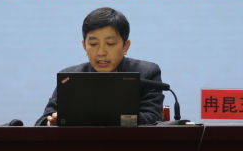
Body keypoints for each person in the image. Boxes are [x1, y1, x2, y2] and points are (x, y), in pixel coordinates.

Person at [35, 7, 164, 126]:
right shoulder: (69, 77)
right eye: (93, 44)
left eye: (110, 43)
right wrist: (51, 122)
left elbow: (152, 118)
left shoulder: (147, 73)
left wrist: (100, 117)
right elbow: (42, 122)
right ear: (84, 46)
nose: (101, 52)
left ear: (125, 46)